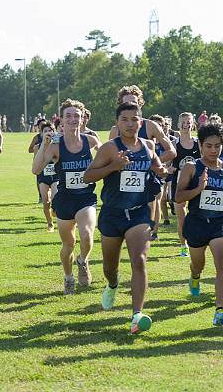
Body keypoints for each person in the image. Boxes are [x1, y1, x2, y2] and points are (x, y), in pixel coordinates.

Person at [84, 102, 165, 334]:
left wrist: (160, 171)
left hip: (139, 213)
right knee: (110, 266)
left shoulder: (149, 146)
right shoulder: (110, 148)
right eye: (125, 120)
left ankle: (136, 315)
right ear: (118, 123)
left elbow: (157, 166)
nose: (130, 124)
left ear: (142, 122)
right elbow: (88, 176)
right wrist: (113, 166)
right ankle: (112, 284)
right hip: (112, 214)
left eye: (135, 119)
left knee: (139, 260)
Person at [33, 100, 102, 294]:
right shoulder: (55, 145)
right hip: (64, 200)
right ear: (62, 121)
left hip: (86, 198)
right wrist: (43, 145)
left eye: (76, 116)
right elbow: (36, 169)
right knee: (68, 245)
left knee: (87, 234)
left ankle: (83, 261)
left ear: (82, 119)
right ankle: (68, 276)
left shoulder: (90, 141)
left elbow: (106, 155)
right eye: (68, 116)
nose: (73, 119)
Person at [175, 123, 223, 326]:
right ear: (201, 146)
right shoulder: (191, 167)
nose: (214, 150)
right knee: (198, 264)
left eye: (218, 146)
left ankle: (219, 311)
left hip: (219, 224)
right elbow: (177, 197)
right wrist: (199, 189)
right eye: (209, 146)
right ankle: (195, 276)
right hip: (196, 224)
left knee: (221, 265)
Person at [108, 85, 176, 163]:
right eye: (126, 103)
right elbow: (109, 158)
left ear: (140, 104)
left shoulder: (150, 126)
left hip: (146, 173)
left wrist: (152, 164)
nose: (130, 106)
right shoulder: (115, 130)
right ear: (121, 106)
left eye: (134, 103)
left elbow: (171, 151)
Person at [171, 112, 201, 257]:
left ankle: (199, 242)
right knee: (181, 216)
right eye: (183, 122)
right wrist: (168, 169)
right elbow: (167, 164)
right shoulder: (173, 144)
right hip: (178, 184)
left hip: (196, 183)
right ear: (178, 124)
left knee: (197, 215)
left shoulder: (198, 142)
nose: (185, 124)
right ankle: (184, 246)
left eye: (188, 121)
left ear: (193, 124)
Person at [31, 121, 60, 232]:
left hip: (55, 175)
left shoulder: (56, 146)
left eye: (50, 131)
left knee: (55, 197)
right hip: (43, 176)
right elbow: (36, 164)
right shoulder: (38, 147)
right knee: (45, 201)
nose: (48, 133)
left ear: (54, 132)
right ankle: (50, 223)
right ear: (41, 134)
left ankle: (55, 210)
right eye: (45, 131)